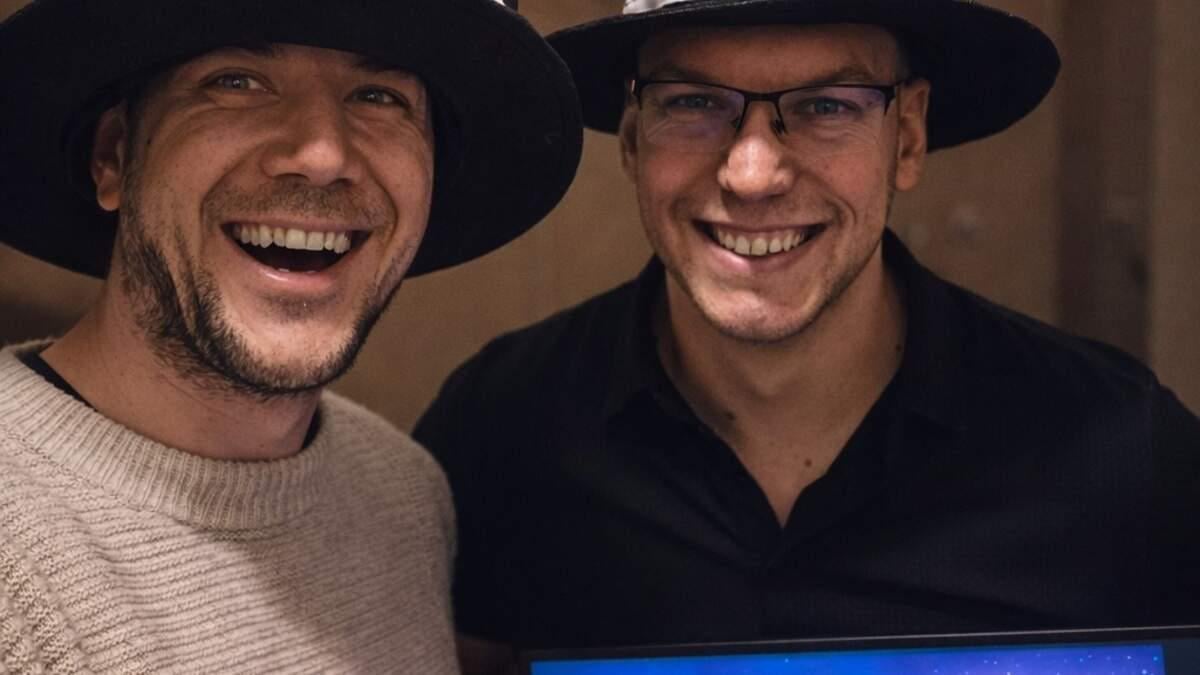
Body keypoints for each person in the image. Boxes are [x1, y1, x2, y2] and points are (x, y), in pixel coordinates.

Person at [414, 0, 1200, 671]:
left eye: (828, 106)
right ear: (632, 139)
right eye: (694, 102)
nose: (753, 173)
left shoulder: (1119, 451)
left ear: (908, 137)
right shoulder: (499, 435)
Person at [0, 0, 581, 672]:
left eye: (379, 96)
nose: (323, 156)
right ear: (113, 156)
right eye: (237, 81)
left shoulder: (404, 492)